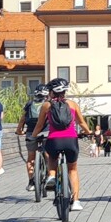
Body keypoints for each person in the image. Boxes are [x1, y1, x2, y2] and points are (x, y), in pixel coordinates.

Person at [33, 76, 86, 211]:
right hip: (71, 140)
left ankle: (51, 176)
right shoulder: (73, 104)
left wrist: (33, 136)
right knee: (72, 169)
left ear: (51, 92)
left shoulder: (47, 105)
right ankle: (76, 201)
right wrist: (90, 131)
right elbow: (81, 122)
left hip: (54, 140)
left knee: (52, 157)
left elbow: (39, 125)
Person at [18, 81, 49, 191]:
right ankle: (50, 176)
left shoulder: (29, 104)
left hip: (31, 132)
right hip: (46, 132)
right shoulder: (49, 104)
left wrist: (19, 130)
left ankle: (31, 182)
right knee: (48, 153)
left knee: (31, 157)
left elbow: (23, 118)